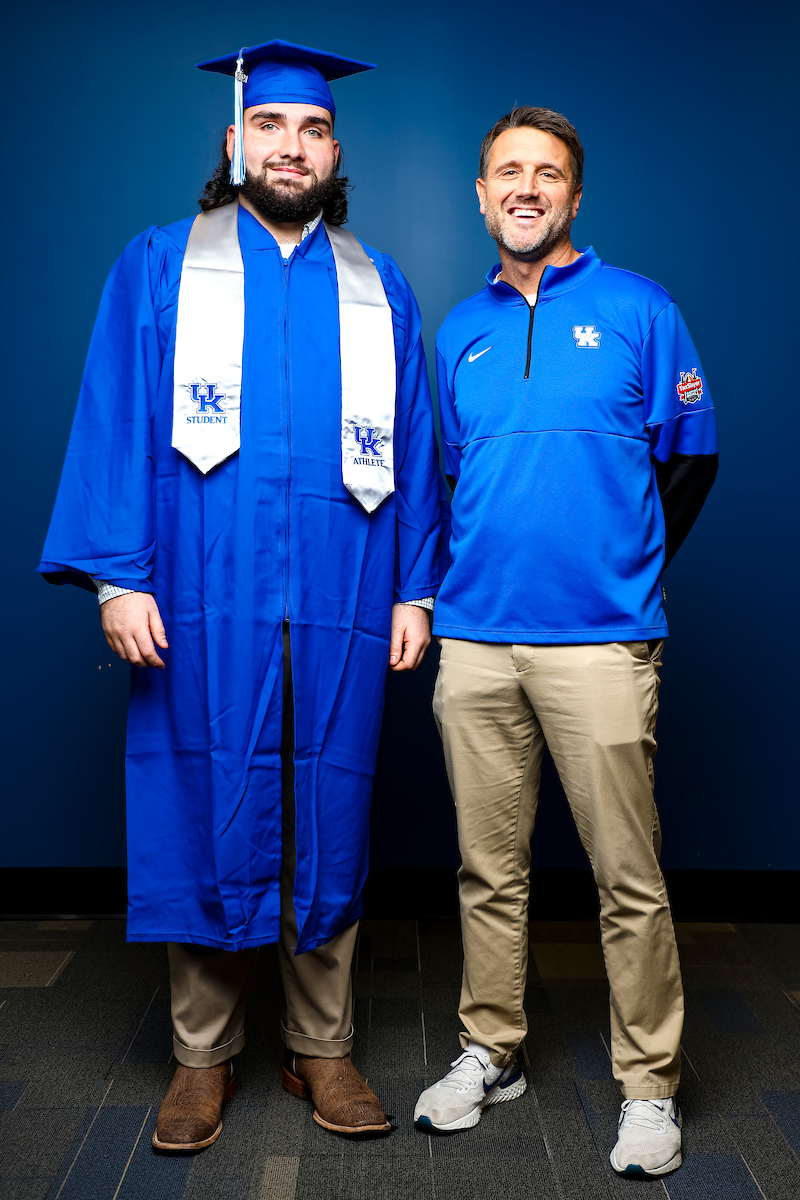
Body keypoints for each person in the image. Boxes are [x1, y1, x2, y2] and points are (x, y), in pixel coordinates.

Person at [38, 39, 447, 1150]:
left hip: (341, 589)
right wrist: (117, 575)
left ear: (334, 151)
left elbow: (413, 443)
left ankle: (322, 1047)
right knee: (197, 793)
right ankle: (201, 1057)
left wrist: (413, 591)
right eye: (270, 127)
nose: (291, 147)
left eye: (311, 130)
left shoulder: (378, 283)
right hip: (196, 586)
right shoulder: (162, 262)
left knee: (330, 799)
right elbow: (115, 413)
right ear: (234, 142)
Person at [414, 107, 717, 1179]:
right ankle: (489, 1049)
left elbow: (691, 455)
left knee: (624, 877)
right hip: (476, 641)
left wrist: (625, 563)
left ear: (574, 196)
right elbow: (440, 485)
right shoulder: (457, 330)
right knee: (486, 871)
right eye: (507, 172)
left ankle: (648, 1087)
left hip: (600, 644)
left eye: (547, 173)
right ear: (482, 194)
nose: (526, 187)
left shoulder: (640, 308)